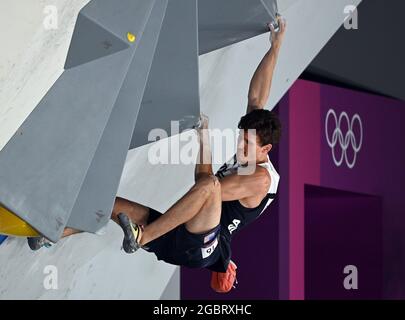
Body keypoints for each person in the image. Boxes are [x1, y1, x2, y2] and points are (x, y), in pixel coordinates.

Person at [28, 17, 286, 285]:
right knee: (110, 205)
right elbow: (256, 98)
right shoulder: (255, 138)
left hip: (202, 246)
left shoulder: (260, 180)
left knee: (210, 186)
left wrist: (204, 140)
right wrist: (275, 47)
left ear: (265, 149)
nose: (239, 146)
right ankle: (52, 235)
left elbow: (205, 186)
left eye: (246, 144)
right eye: (240, 138)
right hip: (182, 233)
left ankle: (143, 237)